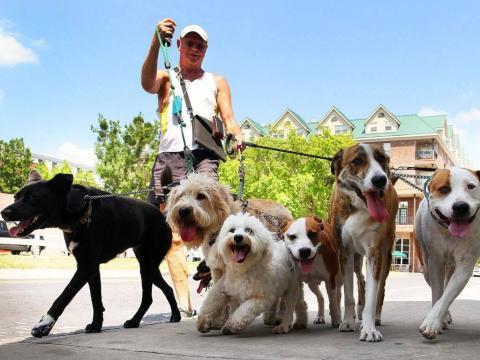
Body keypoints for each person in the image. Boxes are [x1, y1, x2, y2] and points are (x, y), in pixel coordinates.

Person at [141, 19, 243, 317]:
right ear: (179, 46)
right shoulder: (165, 77)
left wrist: (236, 136)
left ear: (206, 49)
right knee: (169, 232)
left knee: (217, 221)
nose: (195, 49)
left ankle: (222, 290)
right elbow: (146, 84)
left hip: (203, 157)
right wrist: (154, 41)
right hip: (168, 159)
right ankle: (185, 303)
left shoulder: (216, 81)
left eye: (200, 45)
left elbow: (230, 118)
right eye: (190, 43)